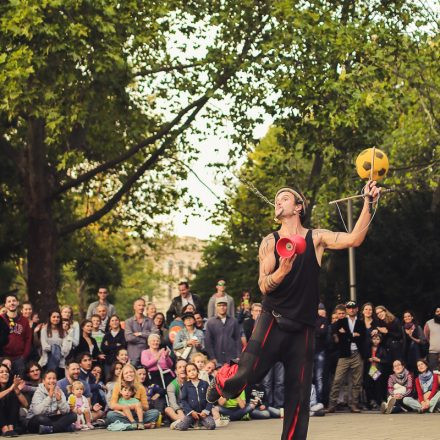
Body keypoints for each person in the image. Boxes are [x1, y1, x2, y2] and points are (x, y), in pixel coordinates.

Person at [207, 182, 380, 440]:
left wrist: (369, 202)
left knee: (298, 397)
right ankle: (222, 382)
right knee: (247, 374)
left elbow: (354, 238)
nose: (278, 201)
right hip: (272, 321)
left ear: (299, 207)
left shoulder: (316, 238)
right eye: (276, 199)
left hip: (304, 329)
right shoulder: (270, 242)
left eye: (285, 198)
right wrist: (282, 271)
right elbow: (264, 285)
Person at [327, 301, 366, 413]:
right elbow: (339, 336)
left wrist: (347, 334)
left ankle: (353, 404)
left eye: (353, 308)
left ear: (357, 309)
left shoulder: (360, 322)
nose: (351, 310)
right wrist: (353, 335)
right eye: (349, 308)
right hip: (344, 355)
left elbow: (362, 337)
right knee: (337, 380)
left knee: (356, 381)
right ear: (346, 310)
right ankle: (332, 404)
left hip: (357, 354)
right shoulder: (341, 321)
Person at [107, 363, 159, 427]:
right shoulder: (118, 386)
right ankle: (142, 425)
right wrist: (125, 407)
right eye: (126, 373)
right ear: (123, 376)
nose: (129, 374)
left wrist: (138, 406)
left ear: (135, 373)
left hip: (138, 414)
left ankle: (132, 424)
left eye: (131, 372)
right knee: (110, 415)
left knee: (155, 413)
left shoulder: (140, 387)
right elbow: (112, 405)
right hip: (124, 414)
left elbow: (146, 407)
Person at [27, 370, 77, 434]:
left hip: (51, 418)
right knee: (42, 419)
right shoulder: (38, 392)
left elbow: (66, 411)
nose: (52, 381)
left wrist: (59, 400)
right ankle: (63, 427)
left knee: (73, 415)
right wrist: (49, 397)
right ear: (43, 381)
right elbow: (37, 412)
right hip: (35, 421)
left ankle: (50, 429)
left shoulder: (59, 391)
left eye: (54, 378)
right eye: (49, 378)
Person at [175, 363, 215, 431]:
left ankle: (199, 423)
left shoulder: (205, 384)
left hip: (203, 413)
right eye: (189, 371)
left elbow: (210, 399)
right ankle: (178, 424)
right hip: (192, 414)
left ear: (198, 371)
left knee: (212, 425)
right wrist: (191, 412)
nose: (192, 372)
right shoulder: (186, 386)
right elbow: (183, 400)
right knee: (182, 427)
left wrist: (206, 411)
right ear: (187, 374)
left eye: (194, 370)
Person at [0, 294, 32, 376]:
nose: (12, 303)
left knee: (19, 383)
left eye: (14, 301)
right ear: (6, 304)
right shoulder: (1, 319)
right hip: (4, 357)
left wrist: (24, 356)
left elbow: (28, 339)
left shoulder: (24, 320)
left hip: (19, 358)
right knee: (5, 382)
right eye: (9, 301)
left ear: (18, 303)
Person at [205, 298, 241, 366]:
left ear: (227, 306)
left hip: (232, 357)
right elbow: (208, 342)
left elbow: (238, 339)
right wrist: (212, 357)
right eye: (219, 305)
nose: (222, 307)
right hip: (217, 358)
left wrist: (239, 356)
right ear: (216, 307)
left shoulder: (234, 321)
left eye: (224, 305)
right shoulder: (210, 322)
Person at [39, 310, 72, 375]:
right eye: (54, 317)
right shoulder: (44, 330)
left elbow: (66, 349)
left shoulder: (63, 332)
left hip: (60, 362)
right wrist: (56, 348)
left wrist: (57, 351)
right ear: (50, 318)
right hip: (46, 360)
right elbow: (45, 347)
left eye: (58, 317)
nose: (56, 319)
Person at [0, 364, 28, 437]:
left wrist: (16, 389)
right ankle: (4, 429)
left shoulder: (12, 388)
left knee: (14, 396)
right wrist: (10, 388)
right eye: (1, 372)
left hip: (11, 421)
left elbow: (26, 404)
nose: (5, 373)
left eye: (6, 372)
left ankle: (11, 428)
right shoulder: (10, 388)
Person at [364, 333, 389, 410]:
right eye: (374, 339)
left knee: (378, 386)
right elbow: (364, 358)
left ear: (380, 340)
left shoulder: (382, 348)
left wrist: (379, 360)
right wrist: (368, 359)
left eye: (377, 339)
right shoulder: (368, 348)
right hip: (369, 369)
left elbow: (387, 360)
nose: (375, 341)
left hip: (377, 369)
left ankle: (379, 402)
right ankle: (370, 402)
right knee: (368, 386)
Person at [124, 298, 152, 366]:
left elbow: (155, 334)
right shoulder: (128, 321)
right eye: (139, 305)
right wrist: (145, 340)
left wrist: (140, 334)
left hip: (147, 354)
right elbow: (129, 337)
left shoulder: (150, 320)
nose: (141, 307)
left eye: (143, 305)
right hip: (133, 354)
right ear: (134, 307)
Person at [165, 359, 187, 427]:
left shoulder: (193, 381)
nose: (183, 369)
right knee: (168, 409)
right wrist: (179, 410)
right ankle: (183, 421)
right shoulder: (172, 386)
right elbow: (172, 402)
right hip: (178, 411)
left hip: (191, 409)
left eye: (185, 367)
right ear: (176, 371)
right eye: (180, 367)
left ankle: (181, 423)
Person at [313, 303, 328, 404]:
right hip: (308, 351)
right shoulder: (308, 319)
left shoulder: (324, 320)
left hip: (320, 351)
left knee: (319, 377)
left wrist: (316, 330)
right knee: (308, 377)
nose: (321, 311)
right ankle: (310, 400)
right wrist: (318, 329)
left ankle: (320, 401)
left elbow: (323, 332)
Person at [423, 306, 440, 371]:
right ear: (435, 313)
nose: (439, 313)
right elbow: (426, 336)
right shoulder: (429, 323)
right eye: (437, 311)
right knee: (434, 372)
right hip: (433, 353)